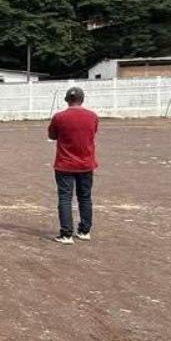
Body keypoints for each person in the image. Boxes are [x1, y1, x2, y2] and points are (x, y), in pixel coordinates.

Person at [48, 86, 98, 245]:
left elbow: (52, 135)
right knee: (85, 197)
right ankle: (84, 231)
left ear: (67, 100)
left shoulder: (59, 117)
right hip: (86, 163)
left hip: (65, 163)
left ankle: (66, 233)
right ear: (82, 99)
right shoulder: (92, 116)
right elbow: (93, 133)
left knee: (65, 198)